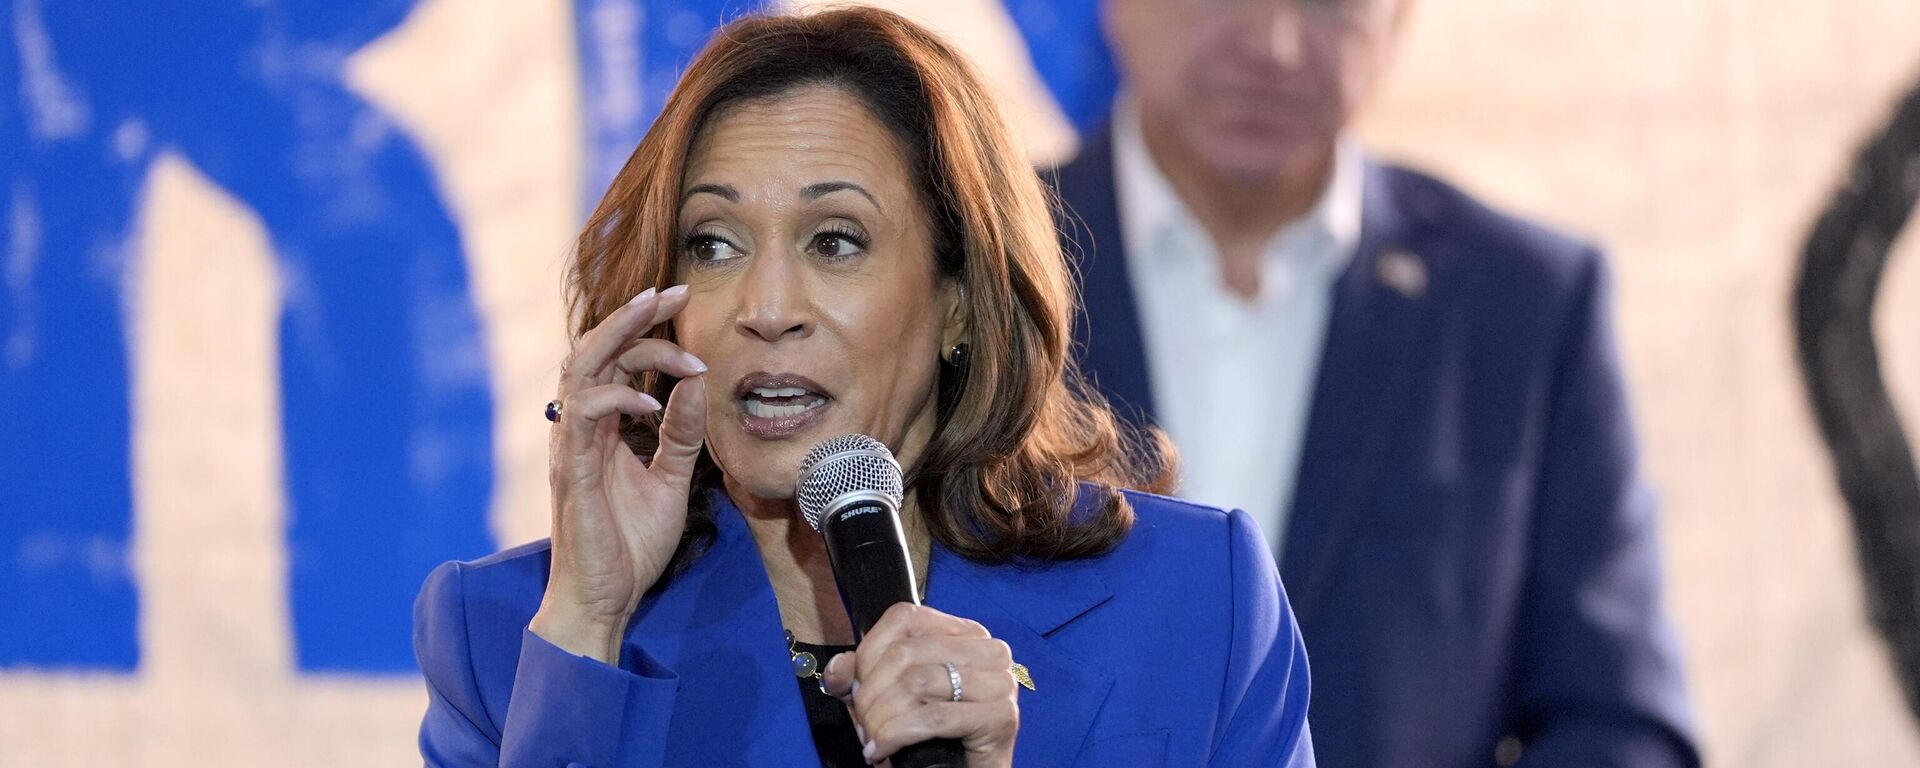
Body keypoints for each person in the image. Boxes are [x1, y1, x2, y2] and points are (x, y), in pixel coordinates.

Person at [412, 8, 1315, 767]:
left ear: (960, 301)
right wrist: (590, 616)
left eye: (836, 241)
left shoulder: (1196, 606)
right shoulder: (506, 643)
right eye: (714, 244)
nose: (765, 308)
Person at [1048, 1, 1699, 766]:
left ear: (1400, 22)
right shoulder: (963, 273)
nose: (1271, 44)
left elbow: (1617, 719)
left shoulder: (1523, 306)